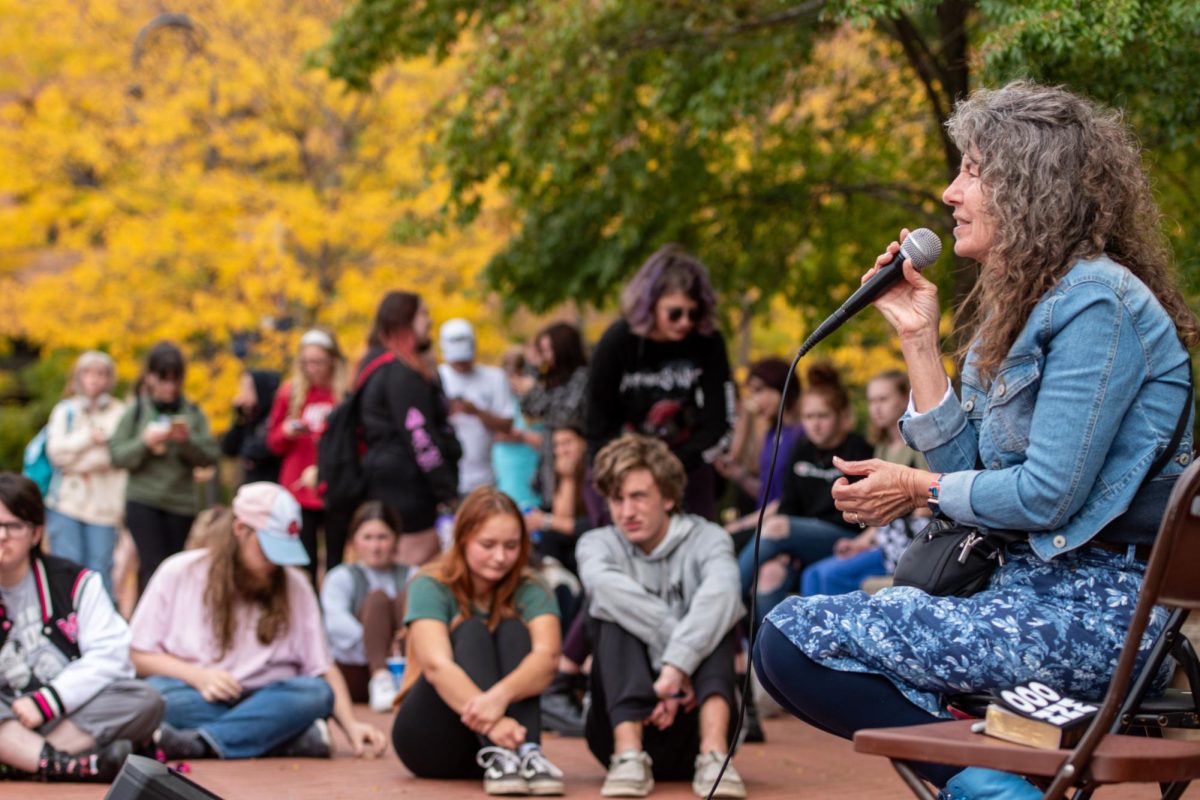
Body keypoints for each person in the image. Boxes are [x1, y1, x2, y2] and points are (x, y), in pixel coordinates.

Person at [753, 82, 1198, 794]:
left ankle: (991, 788)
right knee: (783, 637)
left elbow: (1046, 496)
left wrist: (912, 485)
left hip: (1098, 610)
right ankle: (994, 784)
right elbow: (971, 477)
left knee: (793, 637)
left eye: (971, 170)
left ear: (1030, 186)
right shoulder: (1013, 310)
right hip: (1014, 591)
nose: (949, 190)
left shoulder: (1099, 305)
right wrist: (918, 341)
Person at [129, 482, 386, 761]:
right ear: (240, 530)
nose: (274, 563)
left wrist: (351, 727)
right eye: (267, 551)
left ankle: (200, 743)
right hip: (198, 695)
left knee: (316, 694)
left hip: (270, 697)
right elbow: (137, 654)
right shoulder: (179, 571)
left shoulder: (295, 583)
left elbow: (322, 668)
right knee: (154, 697)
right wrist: (200, 677)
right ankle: (285, 740)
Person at [578, 434, 747, 799]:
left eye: (639, 496)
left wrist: (674, 669)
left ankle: (715, 757)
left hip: (695, 715)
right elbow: (605, 590)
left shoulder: (709, 538)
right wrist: (679, 663)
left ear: (668, 497)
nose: (627, 512)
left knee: (717, 612)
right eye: (617, 499)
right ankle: (628, 756)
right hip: (616, 725)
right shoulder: (596, 544)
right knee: (612, 613)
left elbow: (724, 595)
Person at [390, 486, 565, 796]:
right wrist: (494, 724)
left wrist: (499, 697)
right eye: (488, 544)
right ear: (463, 539)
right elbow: (436, 666)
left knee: (513, 629)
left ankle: (527, 753)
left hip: (509, 739)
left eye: (511, 546)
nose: (500, 557)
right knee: (470, 630)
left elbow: (548, 657)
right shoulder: (430, 583)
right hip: (433, 740)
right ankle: (503, 751)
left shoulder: (532, 586)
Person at [0, 473, 163, 783]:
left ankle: (25, 760)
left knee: (145, 700)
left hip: (66, 717)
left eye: (12, 526)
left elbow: (112, 655)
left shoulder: (75, 582)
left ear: (36, 534)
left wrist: (48, 701)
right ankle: (63, 763)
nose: (2, 537)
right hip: (5, 715)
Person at [586, 246, 735, 521]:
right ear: (650, 304)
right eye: (675, 313)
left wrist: (668, 466)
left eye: (693, 312)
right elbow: (596, 419)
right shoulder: (618, 341)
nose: (685, 322)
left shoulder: (709, 342)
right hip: (621, 466)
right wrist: (624, 468)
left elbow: (720, 421)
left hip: (685, 467)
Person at [732, 363, 872, 613]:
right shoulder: (802, 449)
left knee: (775, 525)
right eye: (809, 417)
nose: (815, 425)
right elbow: (789, 504)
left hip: (844, 535)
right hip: (800, 538)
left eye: (823, 416)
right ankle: (767, 651)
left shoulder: (858, 450)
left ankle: (726, 603)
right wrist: (789, 545)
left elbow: (864, 514)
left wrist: (791, 537)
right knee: (769, 574)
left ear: (840, 417)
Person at [799, 370, 928, 596]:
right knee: (811, 574)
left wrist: (875, 538)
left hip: (911, 543)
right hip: (884, 537)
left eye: (883, 399)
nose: (876, 407)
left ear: (904, 398)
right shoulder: (882, 447)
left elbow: (927, 503)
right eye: (871, 401)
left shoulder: (918, 443)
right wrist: (860, 542)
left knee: (830, 575)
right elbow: (878, 508)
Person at [109, 342, 221, 594]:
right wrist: (145, 443)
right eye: (164, 380)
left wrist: (186, 442)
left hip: (180, 503)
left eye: (175, 380)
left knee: (174, 568)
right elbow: (117, 456)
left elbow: (211, 456)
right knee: (152, 566)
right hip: (143, 500)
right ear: (150, 377)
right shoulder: (136, 411)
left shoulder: (193, 413)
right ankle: (147, 628)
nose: (170, 387)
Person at [359, 292, 461, 566]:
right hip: (407, 492)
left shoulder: (378, 363)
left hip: (393, 482)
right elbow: (420, 438)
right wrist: (448, 492)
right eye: (423, 314)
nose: (429, 321)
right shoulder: (399, 373)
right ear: (405, 320)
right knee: (413, 572)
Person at [267, 329, 350, 583]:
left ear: (332, 361)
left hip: (334, 485)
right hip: (298, 488)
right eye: (306, 362)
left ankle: (334, 610)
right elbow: (273, 443)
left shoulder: (344, 394)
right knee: (304, 561)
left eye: (318, 362)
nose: (311, 368)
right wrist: (287, 431)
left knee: (336, 559)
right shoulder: (289, 393)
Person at [44, 351, 127, 596]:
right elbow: (56, 453)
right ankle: (65, 627)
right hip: (66, 503)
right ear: (78, 377)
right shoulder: (65, 411)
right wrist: (89, 439)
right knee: (66, 568)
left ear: (109, 379)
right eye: (88, 373)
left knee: (99, 573)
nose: (94, 379)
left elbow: (116, 456)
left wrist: (75, 461)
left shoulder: (120, 413)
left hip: (104, 507)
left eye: (100, 373)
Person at [320, 501, 410, 712]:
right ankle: (381, 678)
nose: (375, 547)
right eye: (368, 538)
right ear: (354, 541)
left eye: (382, 537)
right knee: (377, 600)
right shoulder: (340, 577)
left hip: (404, 665)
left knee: (409, 596)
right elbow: (336, 626)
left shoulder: (412, 574)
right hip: (356, 670)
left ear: (396, 539)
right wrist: (381, 648)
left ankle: (405, 682)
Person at [716, 357, 804, 543]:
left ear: (781, 387)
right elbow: (766, 493)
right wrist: (739, 475)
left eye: (758, 390)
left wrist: (740, 525)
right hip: (762, 523)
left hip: (781, 527)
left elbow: (787, 500)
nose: (754, 400)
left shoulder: (801, 435)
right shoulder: (771, 433)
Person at [512, 321, 590, 501]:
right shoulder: (551, 378)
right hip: (549, 463)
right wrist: (532, 369)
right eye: (542, 350)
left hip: (575, 464)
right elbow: (531, 410)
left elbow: (566, 415)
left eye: (548, 350)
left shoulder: (582, 377)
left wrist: (534, 390)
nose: (545, 356)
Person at [438, 319, 516, 496]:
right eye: (457, 362)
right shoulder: (437, 378)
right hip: (448, 478)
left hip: (484, 477)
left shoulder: (494, 377)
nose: (461, 366)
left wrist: (476, 411)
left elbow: (507, 424)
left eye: (465, 361)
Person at [491, 346, 542, 510]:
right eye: (509, 375)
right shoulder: (499, 400)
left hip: (531, 475)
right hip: (504, 476)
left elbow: (547, 441)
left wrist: (519, 436)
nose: (513, 381)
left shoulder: (538, 401)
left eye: (518, 374)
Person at [220, 368, 282, 485]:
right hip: (251, 487)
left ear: (260, 389)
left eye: (247, 388)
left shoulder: (273, 418)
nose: (242, 394)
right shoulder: (248, 419)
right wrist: (239, 417)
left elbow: (255, 450)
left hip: (272, 487)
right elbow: (229, 449)